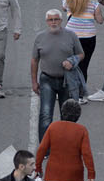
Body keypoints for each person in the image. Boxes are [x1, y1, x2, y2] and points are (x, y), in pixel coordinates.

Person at [30, 9, 85, 141]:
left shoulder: (71, 36)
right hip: (46, 79)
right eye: (50, 19)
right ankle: (45, 148)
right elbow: (34, 60)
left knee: (67, 115)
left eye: (56, 19)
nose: (53, 22)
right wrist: (34, 82)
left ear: (61, 20)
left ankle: (65, 145)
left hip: (66, 81)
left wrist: (72, 61)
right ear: (47, 21)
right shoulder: (40, 37)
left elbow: (81, 54)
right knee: (45, 114)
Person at [61, 0, 102, 93]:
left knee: (69, 62)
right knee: (84, 65)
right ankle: (80, 93)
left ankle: (66, 90)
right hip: (88, 37)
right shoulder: (94, 3)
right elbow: (99, 20)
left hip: (71, 36)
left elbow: (64, 8)